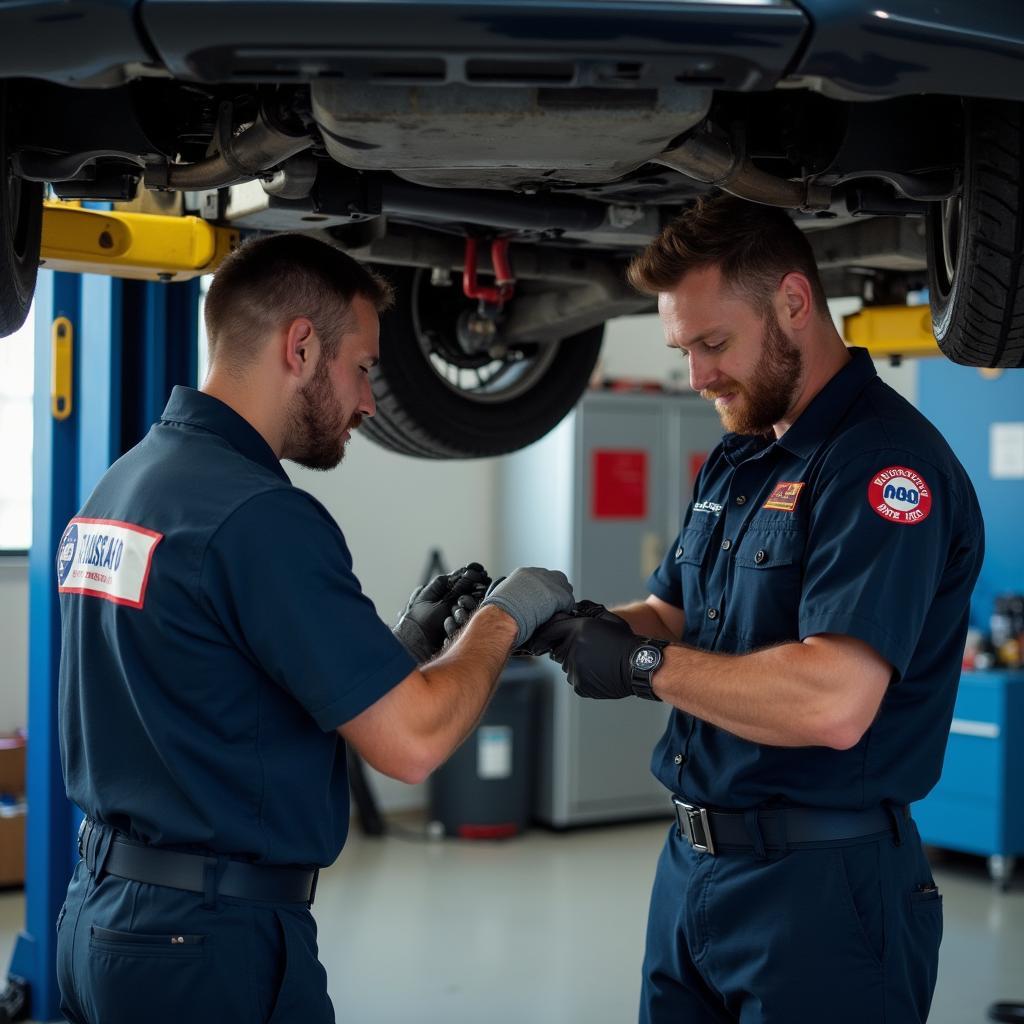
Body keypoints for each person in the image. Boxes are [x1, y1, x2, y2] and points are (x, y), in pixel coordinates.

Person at [54, 233, 574, 1024]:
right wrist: (507, 613)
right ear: (300, 346)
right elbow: (414, 742)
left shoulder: (124, 486)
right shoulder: (262, 516)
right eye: (363, 367)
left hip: (103, 919)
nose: (370, 401)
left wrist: (402, 651)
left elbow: (212, 696)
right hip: (209, 943)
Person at [526, 194, 985, 1023]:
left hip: (822, 888)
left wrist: (640, 667)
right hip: (692, 873)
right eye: (682, 347)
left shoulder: (882, 466)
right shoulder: (742, 455)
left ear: (795, 303)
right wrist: (563, 627)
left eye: (714, 344)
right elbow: (673, 612)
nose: (696, 376)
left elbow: (834, 702)